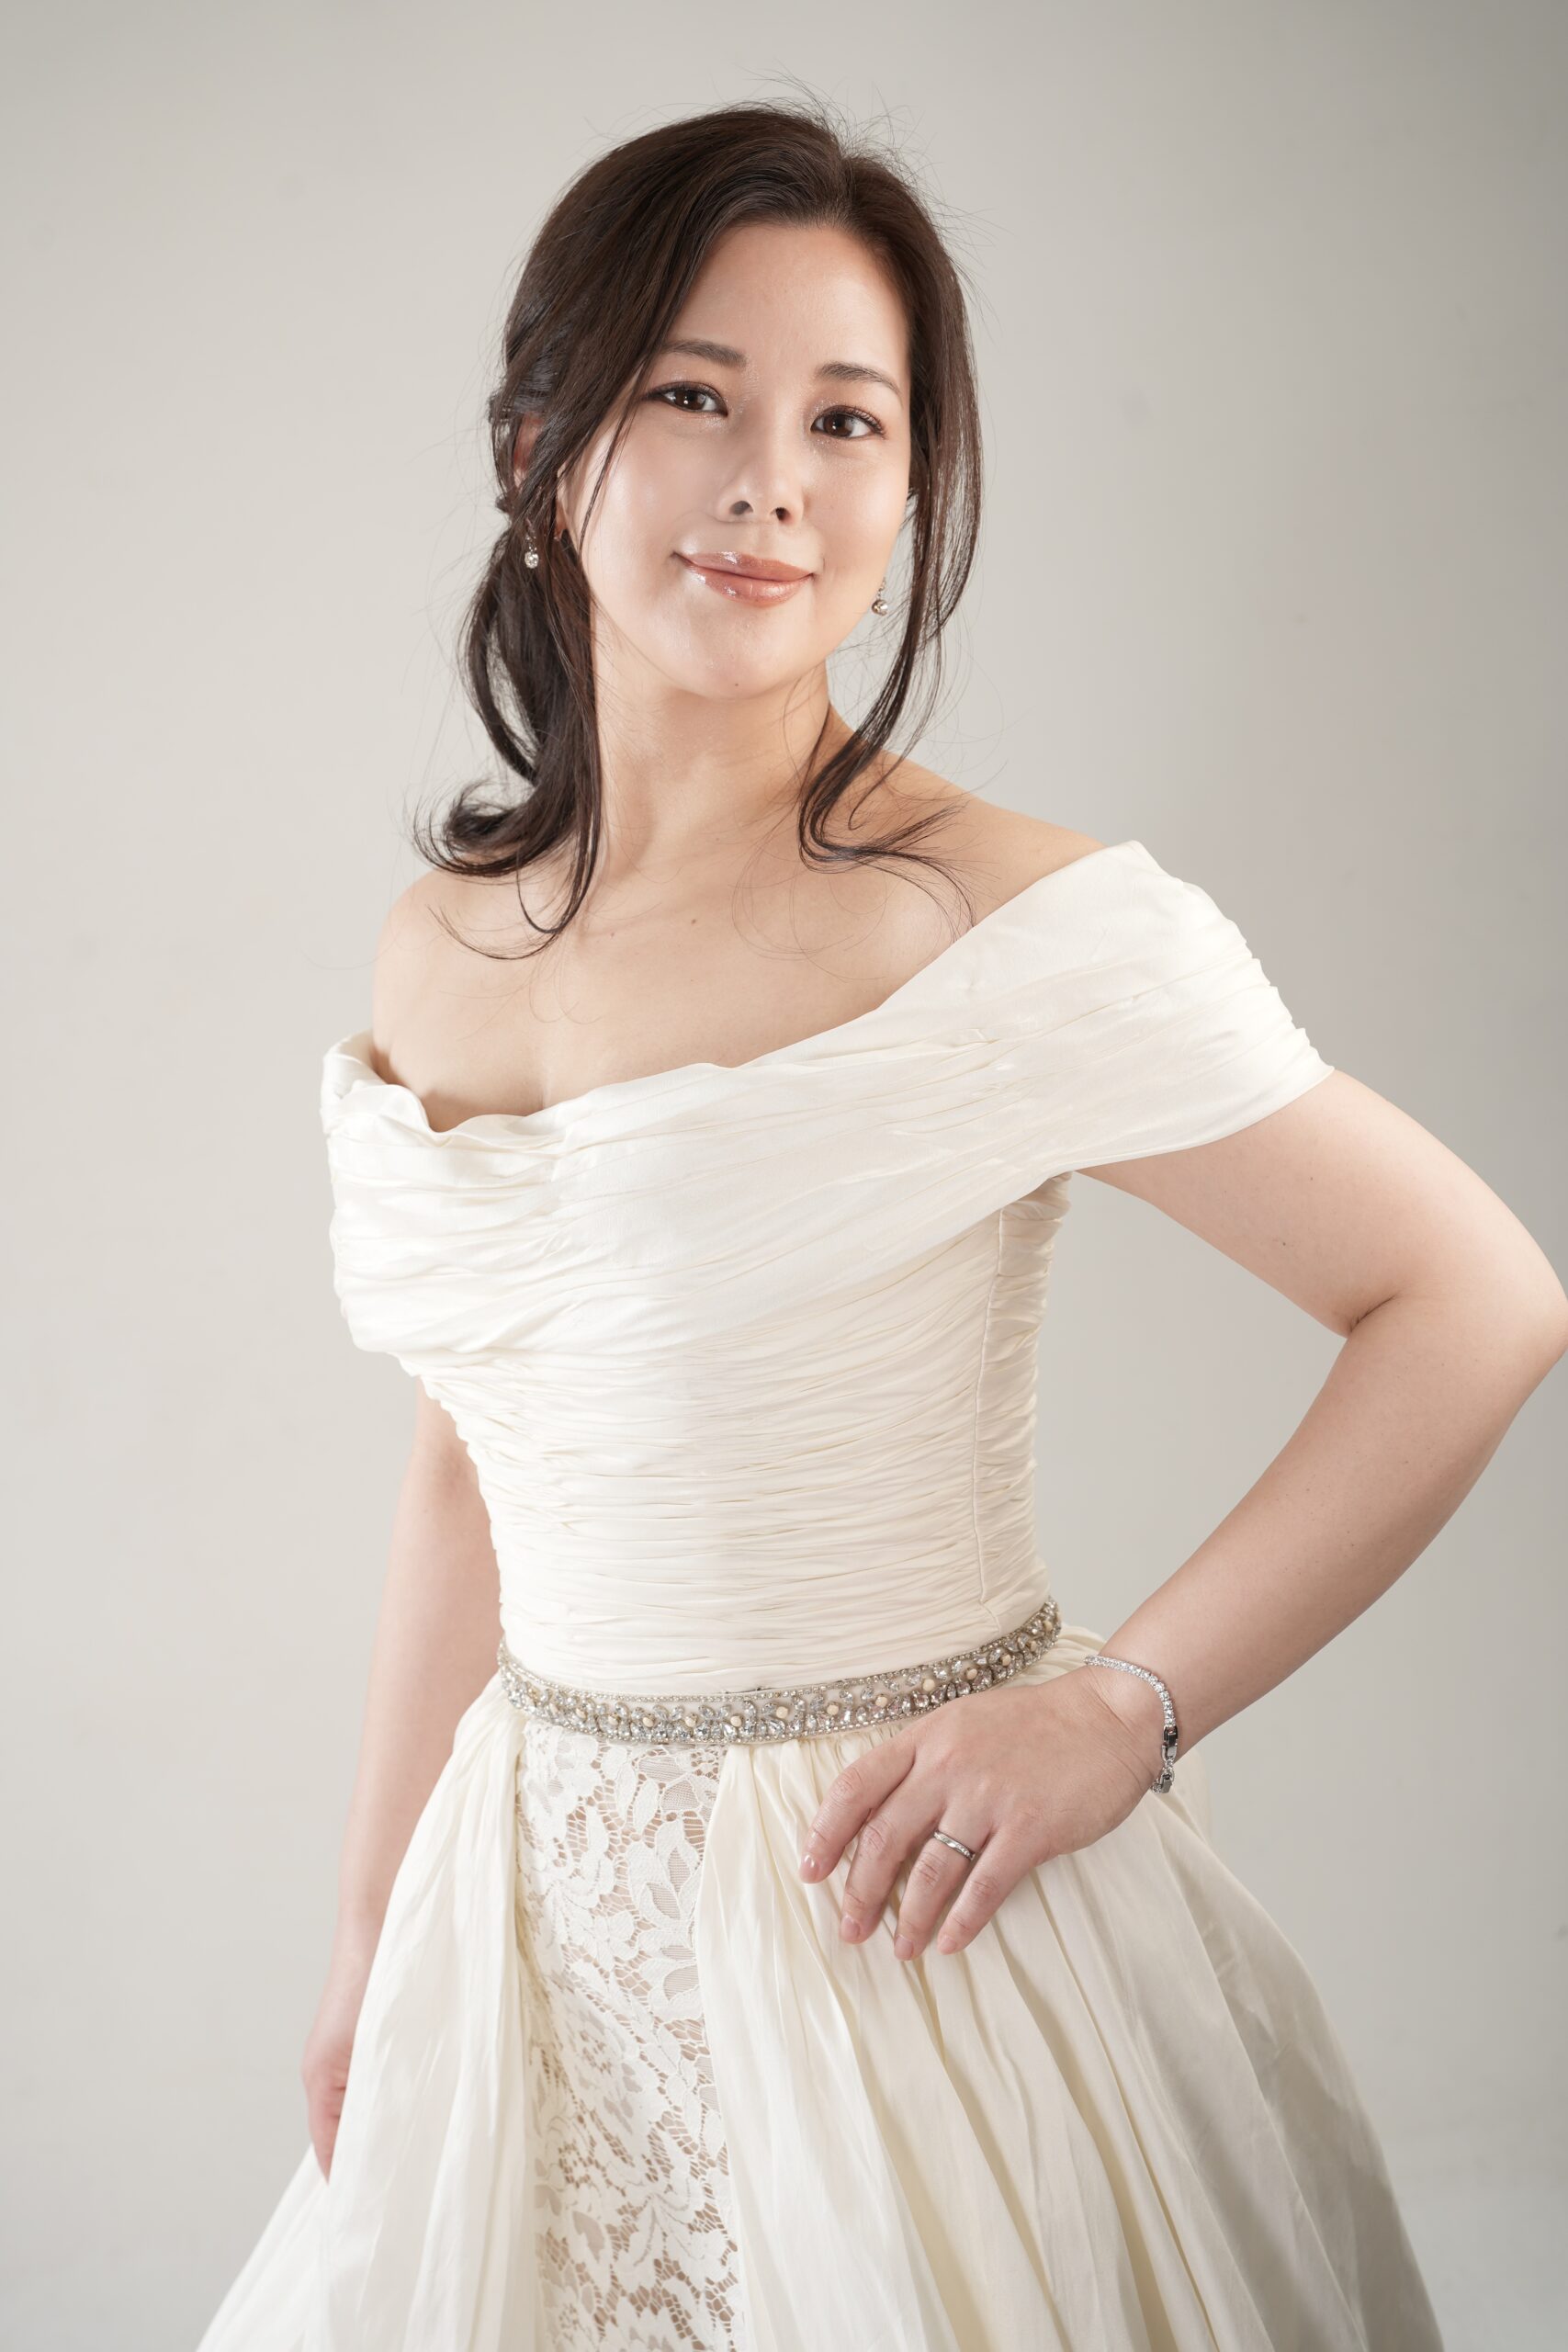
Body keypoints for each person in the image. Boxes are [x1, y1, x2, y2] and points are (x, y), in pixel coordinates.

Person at [196, 97, 1562, 2352]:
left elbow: (1475, 1295)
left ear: (908, 492)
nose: (769, 484)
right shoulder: (438, 947)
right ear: (541, 446)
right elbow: (467, 1460)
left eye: (845, 419)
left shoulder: (989, 919)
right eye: (693, 396)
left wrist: (1119, 1709)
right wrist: (368, 1933)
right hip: (531, 1939)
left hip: (892, 1922)